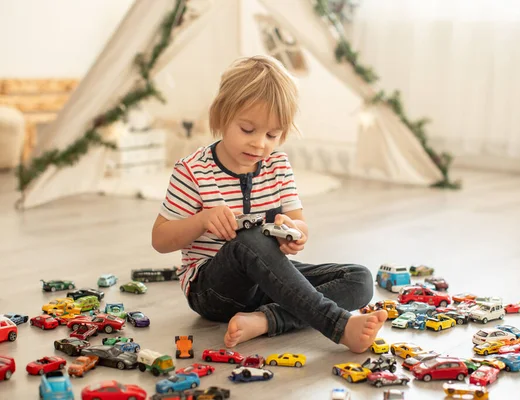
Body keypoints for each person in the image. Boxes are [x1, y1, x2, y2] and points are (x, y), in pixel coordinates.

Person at [151, 55, 386, 353]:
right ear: (222, 116)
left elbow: (299, 223)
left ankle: (266, 320)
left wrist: (295, 232)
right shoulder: (193, 170)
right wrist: (201, 220)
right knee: (249, 240)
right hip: (213, 290)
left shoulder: (277, 165)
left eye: (272, 135)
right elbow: (160, 239)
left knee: (359, 279)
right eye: (247, 130)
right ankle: (337, 326)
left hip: (267, 282)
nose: (259, 143)